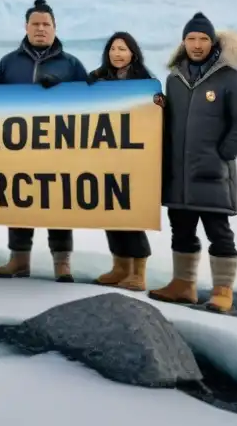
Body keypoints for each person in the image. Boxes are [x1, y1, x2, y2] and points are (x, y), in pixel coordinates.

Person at [148, 12, 237, 314]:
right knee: (181, 229)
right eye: (191, 39)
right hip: (178, 174)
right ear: (183, 42)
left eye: (203, 39)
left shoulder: (231, 79)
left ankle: (223, 291)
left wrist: (222, 154)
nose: (197, 45)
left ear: (213, 42)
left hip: (211, 172)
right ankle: (184, 285)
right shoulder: (174, 80)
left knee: (218, 231)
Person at [0, 0, 89, 283]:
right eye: (36, 24)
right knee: (19, 201)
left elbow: (90, 105)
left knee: (59, 204)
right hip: (18, 148)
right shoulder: (8, 63)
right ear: (26, 27)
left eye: (46, 24)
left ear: (55, 28)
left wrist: (63, 88)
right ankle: (19, 260)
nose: (41, 29)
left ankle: (63, 263)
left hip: (59, 150)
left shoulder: (72, 65)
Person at [87, 31, 161, 291]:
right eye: (113, 49)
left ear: (133, 53)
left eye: (123, 49)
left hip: (135, 160)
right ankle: (120, 267)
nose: (117, 54)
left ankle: (138, 272)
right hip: (106, 157)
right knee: (111, 212)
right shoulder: (97, 79)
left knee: (132, 215)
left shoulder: (145, 82)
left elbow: (157, 119)